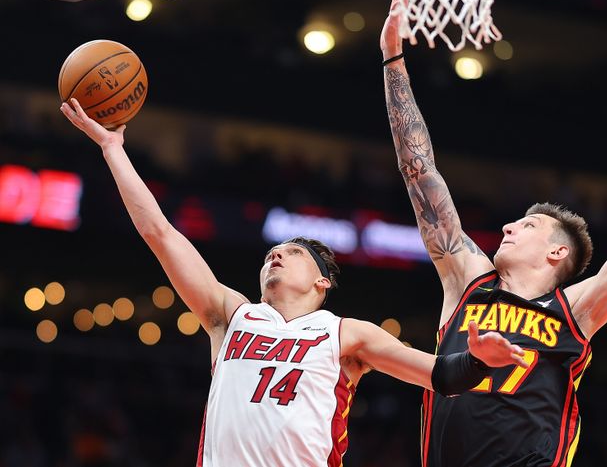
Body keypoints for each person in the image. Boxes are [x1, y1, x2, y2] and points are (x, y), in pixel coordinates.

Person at [59, 99, 529, 467]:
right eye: (271, 254)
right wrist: (113, 150)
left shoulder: (346, 334)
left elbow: (441, 376)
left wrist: (477, 362)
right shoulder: (231, 314)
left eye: (293, 252)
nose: (275, 254)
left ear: (323, 282)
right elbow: (159, 233)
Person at [380, 0, 607, 467]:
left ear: (556, 254)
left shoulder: (578, 310)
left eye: (527, 225)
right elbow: (418, 169)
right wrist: (392, 60)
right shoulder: (467, 280)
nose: (508, 226)